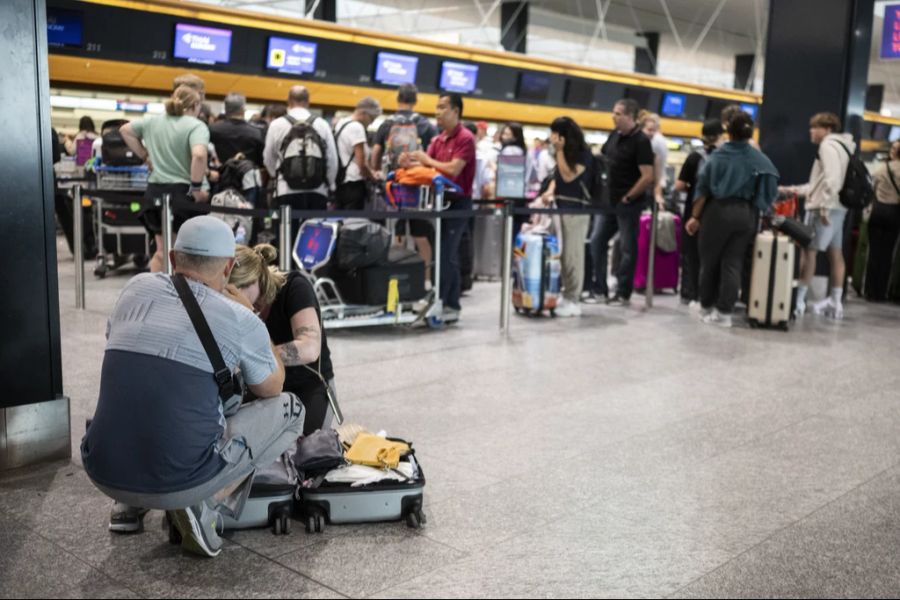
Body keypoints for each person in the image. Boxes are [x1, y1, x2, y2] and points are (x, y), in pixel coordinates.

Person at [81, 216, 300, 558]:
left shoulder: (134, 289)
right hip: (179, 481)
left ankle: (127, 504)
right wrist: (252, 318)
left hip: (101, 467)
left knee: (147, 388)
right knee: (291, 408)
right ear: (228, 267)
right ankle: (203, 503)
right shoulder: (239, 318)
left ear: (171, 258)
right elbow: (273, 387)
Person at [686, 112, 779, 327]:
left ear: (728, 131)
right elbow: (770, 187)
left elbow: (702, 189)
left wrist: (694, 216)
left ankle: (707, 307)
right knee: (733, 262)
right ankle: (725, 313)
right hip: (746, 214)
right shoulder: (759, 158)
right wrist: (758, 203)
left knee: (709, 262)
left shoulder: (718, 157)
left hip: (717, 212)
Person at [230, 244, 336, 434]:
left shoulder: (295, 286)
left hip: (307, 383)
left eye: (235, 293)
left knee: (305, 450)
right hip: (260, 385)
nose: (232, 302)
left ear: (253, 280)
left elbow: (310, 347)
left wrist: (257, 358)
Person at [399, 93, 476, 322]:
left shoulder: (466, 138)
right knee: (441, 253)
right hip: (438, 203)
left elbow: (453, 170)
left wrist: (426, 160)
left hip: (458, 203)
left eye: (442, 107)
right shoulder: (438, 140)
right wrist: (408, 163)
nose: (437, 112)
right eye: (436, 107)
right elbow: (426, 168)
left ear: (456, 111)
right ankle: (441, 300)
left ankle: (449, 304)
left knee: (447, 254)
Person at [119, 85, 210, 273]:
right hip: (182, 195)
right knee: (183, 253)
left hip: (154, 193)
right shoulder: (196, 126)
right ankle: (180, 298)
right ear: (195, 104)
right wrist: (196, 187)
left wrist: (145, 156)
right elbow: (199, 155)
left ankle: (157, 295)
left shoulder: (152, 121)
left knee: (162, 251)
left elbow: (125, 130)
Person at [779, 112, 855, 319]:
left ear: (828, 129)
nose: (811, 131)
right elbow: (820, 184)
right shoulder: (845, 147)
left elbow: (832, 180)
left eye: (816, 127)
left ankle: (799, 301)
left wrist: (823, 208)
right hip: (839, 208)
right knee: (836, 254)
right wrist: (793, 189)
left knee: (808, 252)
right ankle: (835, 302)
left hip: (823, 209)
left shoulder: (828, 146)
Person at [372, 84, 440, 282]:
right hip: (419, 188)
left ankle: (398, 279)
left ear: (397, 98)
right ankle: (426, 281)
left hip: (394, 187)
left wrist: (377, 173)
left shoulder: (387, 124)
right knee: (421, 236)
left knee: (397, 233)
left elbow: (376, 153)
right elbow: (432, 154)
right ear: (415, 100)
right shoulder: (426, 124)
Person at [591, 99, 655, 306]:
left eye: (618, 113)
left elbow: (647, 175)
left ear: (630, 116)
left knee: (627, 248)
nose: (613, 116)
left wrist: (629, 196)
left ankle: (623, 292)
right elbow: (602, 160)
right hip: (608, 201)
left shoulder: (641, 141)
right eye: (614, 112)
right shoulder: (613, 136)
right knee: (597, 241)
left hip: (628, 204)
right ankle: (599, 289)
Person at [263, 86, 338, 245]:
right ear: (308, 101)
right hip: (317, 191)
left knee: (286, 236)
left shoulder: (277, 124)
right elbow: (332, 159)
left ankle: (286, 268)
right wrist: (329, 184)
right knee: (314, 239)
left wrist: (276, 175)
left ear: (288, 101)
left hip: (285, 189)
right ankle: (310, 268)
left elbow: (268, 157)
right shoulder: (322, 124)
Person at [539, 117, 593, 317]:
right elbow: (558, 176)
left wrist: (559, 151)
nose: (551, 137)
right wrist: (550, 191)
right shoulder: (563, 154)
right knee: (562, 255)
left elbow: (569, 175)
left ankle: (574, 298)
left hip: (576, 210)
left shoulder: (584, 155)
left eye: (554, 133)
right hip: (560, 208)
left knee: (573, 256)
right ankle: (567, 294)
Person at [675, 119, 724, 307]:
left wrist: (694, 190)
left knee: (693, 256)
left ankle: (692, 295)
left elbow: (679, 185)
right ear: (720, 136)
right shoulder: (724, 158)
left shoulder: (694, 157)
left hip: (693, 212)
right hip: (716, 212)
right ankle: (712, 296)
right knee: (714, 256)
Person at [863, 139, 900, 301]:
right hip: (895, 213)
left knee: (874, 253)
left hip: (878, 212)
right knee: (888, 254)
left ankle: (870, 291)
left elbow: (870, 186)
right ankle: (881, 291)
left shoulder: (882, 168)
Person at [334, 96, 382, 211]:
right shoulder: (357, 127)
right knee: (353, 224)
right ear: (364, 113)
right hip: (354, 185)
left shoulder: (342, 123)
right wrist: (373, 176)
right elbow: (361, 164)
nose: (371, 123)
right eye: (372, 118)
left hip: (340, 181)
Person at [209, 93, 264, 166]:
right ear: (243, 109)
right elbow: (261, 160)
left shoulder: (212, 129)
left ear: (226, 109)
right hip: (247, 174)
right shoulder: (256, 132)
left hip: (218, 173)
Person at [640, 111, 669, 208]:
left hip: (648, 189)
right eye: (649, 130)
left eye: (654, 130)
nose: (652, 133)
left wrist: (658, 194)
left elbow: (657, 173)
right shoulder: (654, 141)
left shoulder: (656, 142)